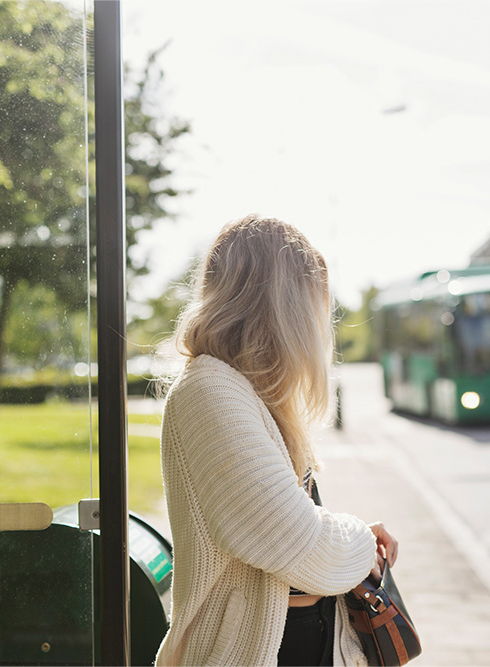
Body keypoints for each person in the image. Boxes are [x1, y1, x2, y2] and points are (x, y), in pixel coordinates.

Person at [155, 214, 398, 666]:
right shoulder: (210, 390)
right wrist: (361, 543)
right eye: (313, 302)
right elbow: (295, 541)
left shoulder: (243, 392)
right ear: (283, 305)